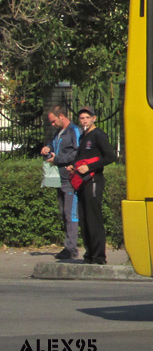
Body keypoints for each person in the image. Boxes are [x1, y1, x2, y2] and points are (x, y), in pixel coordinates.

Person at [72, 106, 116, 265]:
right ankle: (89, 254)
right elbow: (80, 157)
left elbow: (110, 156)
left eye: (87, 118)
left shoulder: (98, 135)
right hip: (82, 182)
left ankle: (99, 256)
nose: (84, 121)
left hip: (94, 180)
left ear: (94, 119)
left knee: (93, 218)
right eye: (82, 118)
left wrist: (90, 167)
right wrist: (73, 165)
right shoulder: (83, 137)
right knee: (83, 218)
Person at [40, 106, 79, 260]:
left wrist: (57, 160)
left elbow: (76, 153)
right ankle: (68, 245)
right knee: (64, 213)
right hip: (60, 179)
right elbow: (54, 144)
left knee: (71, 214)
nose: (52, 124)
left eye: (53, 121)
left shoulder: (74, 131)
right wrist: (47, 147)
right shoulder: (60, 132)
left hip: (70, 179)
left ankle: (72, 248)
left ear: (61, 116)